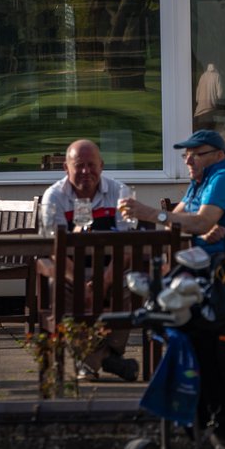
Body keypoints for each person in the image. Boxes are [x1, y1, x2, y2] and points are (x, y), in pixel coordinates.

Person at [121, 130, 225, 301]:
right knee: (145, 294)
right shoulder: (199, 182)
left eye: (198, 154)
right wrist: (202, 231)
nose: (189, 160)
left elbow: (200, 222)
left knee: (164, 296)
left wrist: (150, 213)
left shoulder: (223, 176)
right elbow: (175, 222)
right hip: (210, 269)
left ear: (219, 155)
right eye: (186, 155)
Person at [40, 139, 137, 382]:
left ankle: (93, 360)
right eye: (79, 165)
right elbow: (54, 249)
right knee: (57, 289)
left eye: (91, 165)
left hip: (111, 268)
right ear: (66, 168)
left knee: (133, 285)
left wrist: (103, 282)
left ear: (102, 166)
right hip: (71, 269)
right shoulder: (54, 196)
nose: (86, 171)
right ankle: (106, 359)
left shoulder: (120, 191)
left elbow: (128, 245)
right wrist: (83, 285)